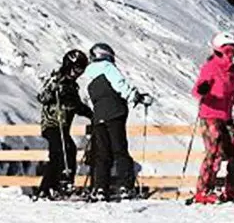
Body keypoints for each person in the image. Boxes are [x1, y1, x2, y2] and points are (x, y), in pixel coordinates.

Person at [192, 31, 234, 204]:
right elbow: (197, 89)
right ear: (219, 50)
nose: (232, 54)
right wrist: (203, 90)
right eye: (228, 50)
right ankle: (203, 191)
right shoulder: (210, 67)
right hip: (210, 115)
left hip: (226, 116)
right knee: (214, 152)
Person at [83, 42, 153, 201]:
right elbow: (119, 84)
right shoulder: (107, 67)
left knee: (102, 154)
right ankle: (125, 187)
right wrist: (137, 97)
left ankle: (100, 188)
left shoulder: (88, 75)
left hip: (98, 116)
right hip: (114, 113)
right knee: (120, 150)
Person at [36, 49, 93, 200]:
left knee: (68, 151)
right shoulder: (57, 79)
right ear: (69, 65)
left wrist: (92, 115)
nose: (78, 72)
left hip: (64, 126)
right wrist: (55, 89)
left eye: (81, 69)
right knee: (61, 152)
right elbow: (42, 96)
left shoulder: (73, 86)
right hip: (52, 124)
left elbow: (77, 106)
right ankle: (56, 186)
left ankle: (54, 187)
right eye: (76, 68)